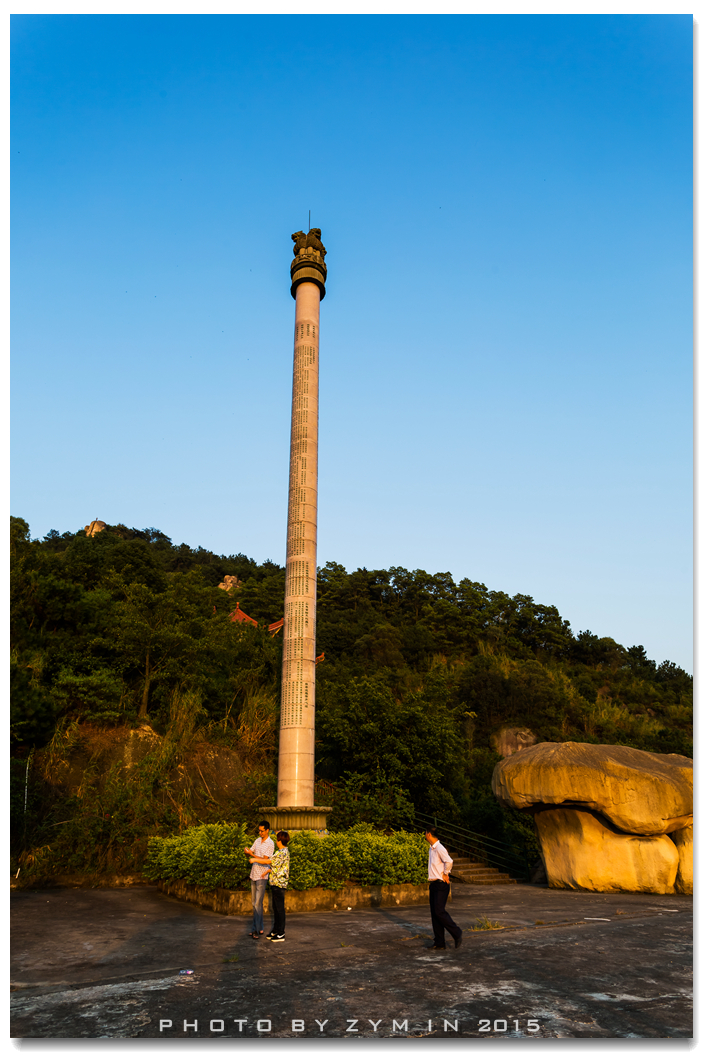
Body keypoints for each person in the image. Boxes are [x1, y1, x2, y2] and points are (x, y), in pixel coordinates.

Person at [424, 827, 462, 950]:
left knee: (439, 911)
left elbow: (449, 861)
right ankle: (439, 942)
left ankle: (456, 932)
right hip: (434, 884)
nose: (424, 835)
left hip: (441, 884)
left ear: (429, 834)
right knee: (434, 913)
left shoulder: (439, 848)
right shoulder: (432, 849)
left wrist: (446, 873)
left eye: (425, 833)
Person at [249, 830, 290, 942]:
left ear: (280, 841)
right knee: (276, 908)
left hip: (279, 884)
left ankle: (281, 932)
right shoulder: (283, 851)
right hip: (276, 883)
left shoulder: (282, 853)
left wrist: (254, 859)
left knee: (279, 909)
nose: (276, 841)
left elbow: (268, 861)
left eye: (277, 839)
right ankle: (276, 930)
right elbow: (278, 866)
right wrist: (268, 872)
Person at [243, 821, 274, 939]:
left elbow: (265, 859)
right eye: (259, 831)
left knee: (257, 904)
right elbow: (250, 853)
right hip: (254, 874)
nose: (260, 833)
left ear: (267, 830)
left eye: (262, 831)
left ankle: (255, 929)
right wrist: (247, 852)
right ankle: (259, 927)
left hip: (262, 875)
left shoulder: (270, 843)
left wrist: (252, 856)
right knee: (254, 903)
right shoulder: (257, 840)